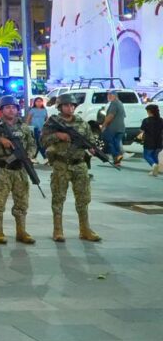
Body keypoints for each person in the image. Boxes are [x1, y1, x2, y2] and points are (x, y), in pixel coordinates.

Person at [42, 94, 101, 242]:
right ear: (60, 107)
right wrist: (57, 135)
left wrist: (92, 149)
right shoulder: (53, 123)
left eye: (72, 105)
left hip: (79, 164)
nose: (70, 108)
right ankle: (58, 230)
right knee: (58, 198)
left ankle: (85, 229)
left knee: (83, 198)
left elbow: (90, 141)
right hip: (61, 164)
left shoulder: (82, 123)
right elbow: (42, 140)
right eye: (67, 105)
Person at [0, 96, 37, 245]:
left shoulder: (24, 127)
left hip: (20, 169)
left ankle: (21, 231)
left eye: (14, 107)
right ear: (1, 110)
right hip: (2, 169)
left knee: (22, 202)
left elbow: (32, 144)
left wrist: (28, 155)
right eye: (7, 107)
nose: (11, 110)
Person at [100, 89, 126, 168]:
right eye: (108, 95)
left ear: (114, 96)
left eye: (109, 95)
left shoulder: (114, 103)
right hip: (121, 128)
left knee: (109, 143)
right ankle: (117, 161)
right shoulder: (120, 103)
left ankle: (117, 155)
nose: (108, 97)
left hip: (113, 128)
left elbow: (110, 116)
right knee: (116, 143)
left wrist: (104, 125)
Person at [140, 104, 162, 176]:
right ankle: (155, 171)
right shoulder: (161, 120)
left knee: (146, 155)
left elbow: (142, 130)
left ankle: (153, 165)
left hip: (149, 141)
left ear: (149, 111)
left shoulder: (146, 120)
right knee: (155, 156)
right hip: (159, 142)